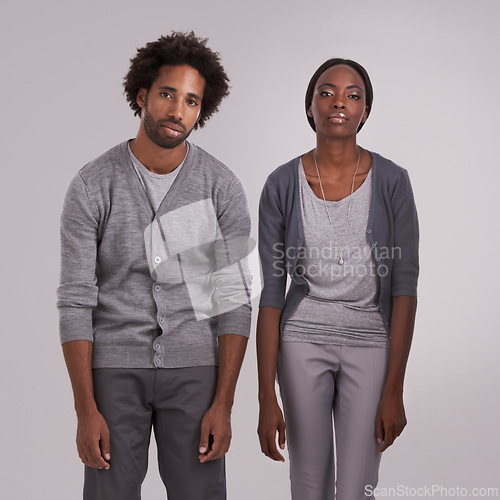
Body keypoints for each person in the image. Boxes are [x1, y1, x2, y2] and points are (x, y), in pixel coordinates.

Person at [57, 31, 252, 500]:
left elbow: (232, 303)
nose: (177, 111)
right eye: (167, 94)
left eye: (191, 101)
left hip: (195, 370)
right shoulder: (93, 185)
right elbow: (76, 300)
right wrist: (86, 409)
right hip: (114, 372)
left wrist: (223, 404)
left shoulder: (218, 187)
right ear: (142, 95)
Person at [257, 58, 419, 499]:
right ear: (310, 107)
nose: (339, 103)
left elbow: (405, 289)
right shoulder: (281, 184)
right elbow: (271, 294)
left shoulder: (392, 181)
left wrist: (395, 388)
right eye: (326, 93)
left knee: (357, 487)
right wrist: (265, 397)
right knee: (308, 485)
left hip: (371, 342)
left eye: (353, 94)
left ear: (365, 111)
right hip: (301, 342)